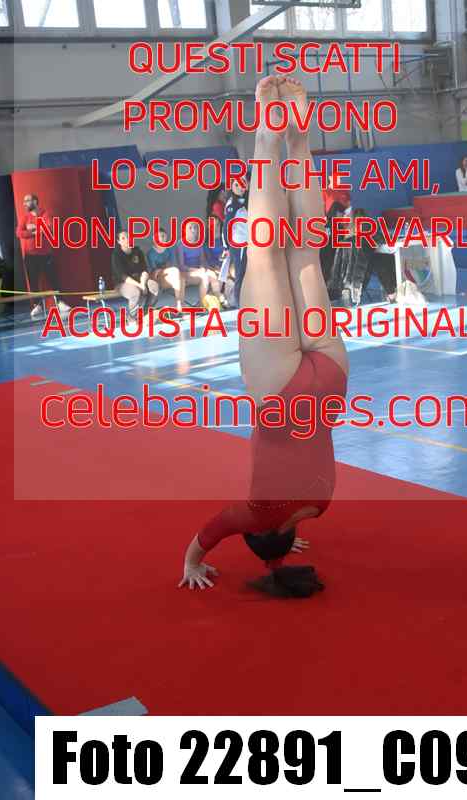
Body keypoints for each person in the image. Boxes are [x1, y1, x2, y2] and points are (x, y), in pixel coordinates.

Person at [179, 76, 349, 597]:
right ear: (260, 533)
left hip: (330, 385)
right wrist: (192, 564)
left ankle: (298, 138)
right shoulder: (257, 513)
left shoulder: (316, 506)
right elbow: (208, 536)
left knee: (304, 251)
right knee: (265, 251)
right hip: (281, 394)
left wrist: (282, 543)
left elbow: (284, 522)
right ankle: (266, 134)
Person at [16, 193, 70, 319]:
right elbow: (19, 233)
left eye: (27, 200)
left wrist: (33, 228)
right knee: (33, 281)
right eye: (24, 201)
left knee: (53, 279)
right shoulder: (25, 217)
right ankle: (37, 305)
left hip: (45, 254)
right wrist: (34, 231)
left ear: (35, 201)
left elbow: (49, 228)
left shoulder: (45, 213)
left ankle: (60, 302)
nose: (24, 203)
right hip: (30, 256)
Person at [112, 230, 159, 320]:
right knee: (135, 292)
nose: (127, 239)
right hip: (123, 283)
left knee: (155, 287)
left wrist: (143, 284)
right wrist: (140, 286)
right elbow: (123, 276)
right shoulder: (116, 255)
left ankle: (146, 312)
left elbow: (144, 271)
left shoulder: (137, 251)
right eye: (123, 238)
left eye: (128, 237)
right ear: (119, 242)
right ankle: (132, 317)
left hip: (140, 280)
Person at [175, 221, 223, 305]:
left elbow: (202, 261)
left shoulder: (199, 243)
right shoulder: (180, 244)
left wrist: (206, 267)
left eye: (195, 227)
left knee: (214, 275)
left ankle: (218, 299)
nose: (193, 230)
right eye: (190, 228)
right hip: (186, 272)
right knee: (205, 277)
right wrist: (197, 270)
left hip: (199, 270)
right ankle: (202, 304)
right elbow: (181, 266)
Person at [223, 178, 248, 307]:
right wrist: (226, 246)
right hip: (239, 243)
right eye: (236, 185)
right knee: (240, 273)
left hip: (249, 242)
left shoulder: (248, 201)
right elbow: (226, 227)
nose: (240, 187)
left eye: (243, 184)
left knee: (247, 272)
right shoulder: (232, 205)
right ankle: (238, 303)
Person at [146, 228, 184, 314]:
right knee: (175, 271)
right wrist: (163, 269)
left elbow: (173, 263)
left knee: (179, 278)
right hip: (157, 278)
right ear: (154, 239)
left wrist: (165, 268)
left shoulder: (170, 249)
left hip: (169, 273)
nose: (161, 238)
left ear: (166, 237)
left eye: (163, 236)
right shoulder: (151, 253)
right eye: (159, 236)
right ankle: (180, 304)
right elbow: (154, 271)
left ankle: (180, 304)